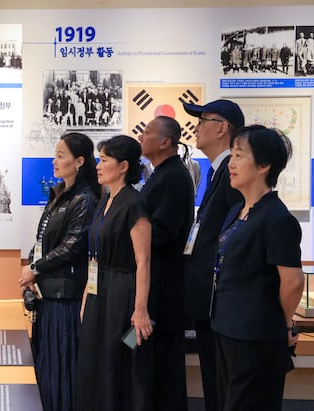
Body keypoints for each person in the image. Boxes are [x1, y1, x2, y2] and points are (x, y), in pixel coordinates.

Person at [211, 125, 304, 410]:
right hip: (226, 327)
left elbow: (293, 282)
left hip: (256, 335)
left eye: (239, 155)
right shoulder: (237, 210)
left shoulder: (277, 219)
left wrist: (283, 322)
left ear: (264, 165)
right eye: (231, 155)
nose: (231, 163)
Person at [19, 131, 100, 411]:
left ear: (79, 161)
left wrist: (34, 269)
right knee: (47, 365)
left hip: (66, 296)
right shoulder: (58, 195)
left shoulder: (85, 199)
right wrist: (31, 268)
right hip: (47, 294)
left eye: (60, 155)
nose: (54, 161)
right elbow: (41, 241)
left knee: (63, 367)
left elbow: (72, 246)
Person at [76, 135, 154, 411]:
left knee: (116, 361)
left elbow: (143, 261)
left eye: (104, 160)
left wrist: (140, 309)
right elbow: (94, 256)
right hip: (98, 291)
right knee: (93, 360)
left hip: (123, 293)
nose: (98, 166)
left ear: (123, 166)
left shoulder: (134, 203)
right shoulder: (105, 199)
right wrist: (86, 296)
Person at [182, 99, 244, 411]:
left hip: (219, 300)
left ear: (222, 128)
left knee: (221, 387)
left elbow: (232, 237)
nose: (196, 127)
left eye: (203, 120)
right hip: (207, 298)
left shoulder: (231, 174)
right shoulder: (216, 172)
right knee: (212, 381)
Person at [138, 116, 194, 411]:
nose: (141, 137)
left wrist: (129, 241)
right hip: (157, 282)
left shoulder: (173, 177)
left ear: (165, 142)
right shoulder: (160, 174)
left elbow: (161, 232)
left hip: (164, 287)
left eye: (147, 132)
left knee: (165, 367)